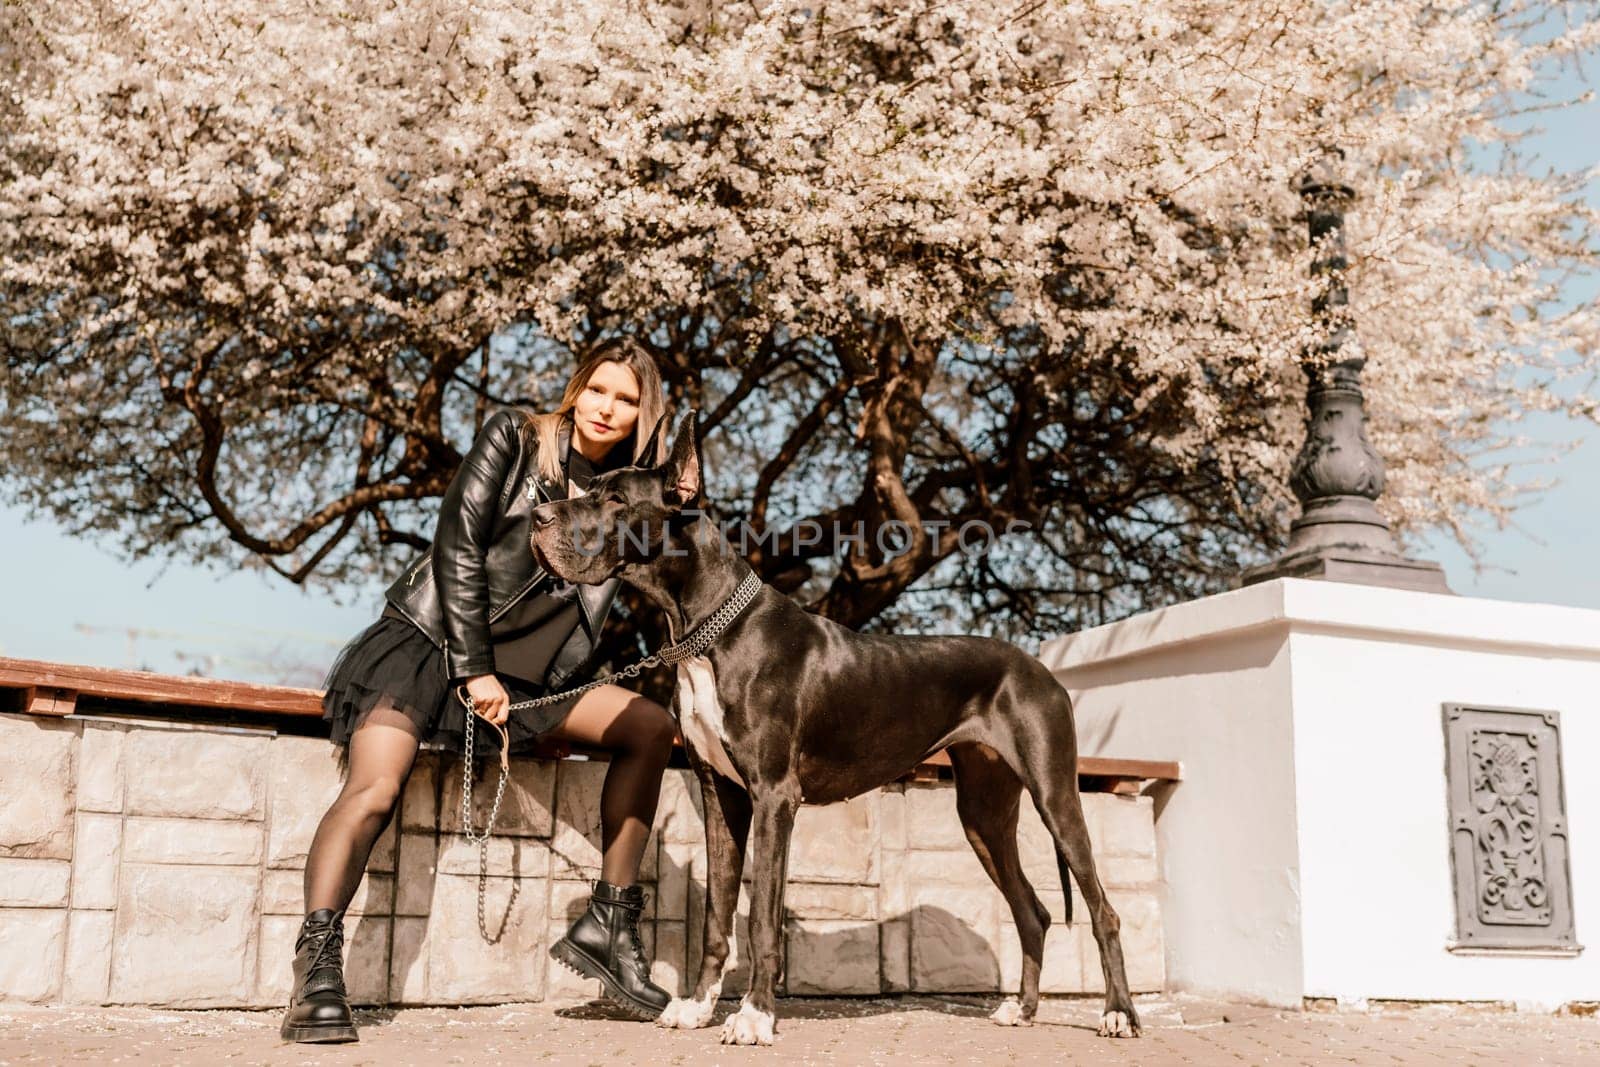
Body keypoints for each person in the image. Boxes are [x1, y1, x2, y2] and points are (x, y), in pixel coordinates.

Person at [281, 338, 679, 1043]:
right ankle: (315, 970)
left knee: (650, 726)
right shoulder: (516, 438)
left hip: (530, 682)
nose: (607, 409)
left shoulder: (629, 498)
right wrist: (474, 666)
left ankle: (609, 925)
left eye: (626, 400)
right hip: (432, 645)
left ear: (644, 415)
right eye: (598, 390)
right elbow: (457, 542)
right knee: (374, 789)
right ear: (576, 388)